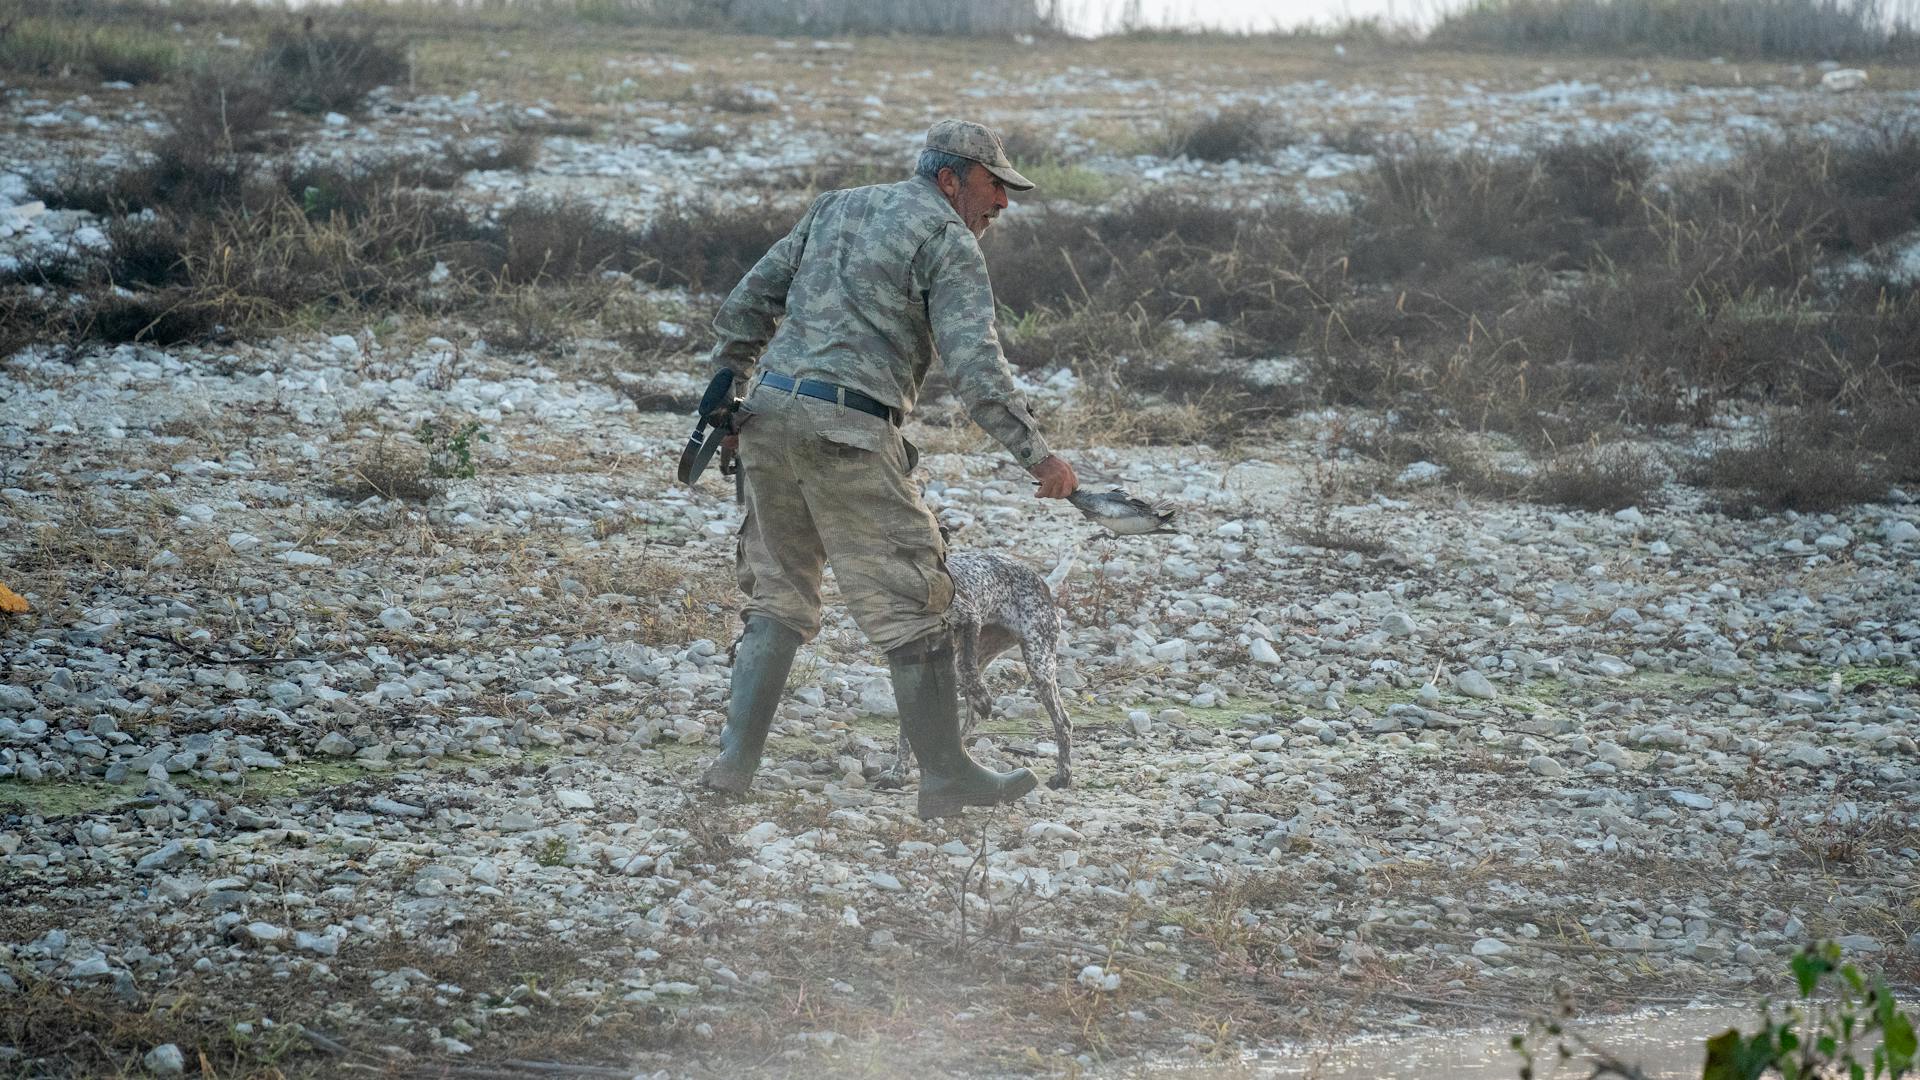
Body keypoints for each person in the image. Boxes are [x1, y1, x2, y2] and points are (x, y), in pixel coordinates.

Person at [697, 119, 1080, 819]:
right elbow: (976, 367)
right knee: (917, 601)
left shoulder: (833, 207)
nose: (1004, 204)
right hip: (848, 432)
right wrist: (1039, 455)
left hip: (768, 422)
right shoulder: (947, 239)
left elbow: (745, 305)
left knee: (776, 599)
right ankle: (946, 776)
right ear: (950, 179)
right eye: (996, 186)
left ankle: (732, 768)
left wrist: (726, 395)